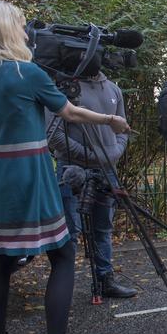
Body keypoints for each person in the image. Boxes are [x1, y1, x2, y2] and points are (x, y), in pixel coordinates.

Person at [0, 0, 130, 334]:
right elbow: (71, 113)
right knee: (63, 256)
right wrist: (111, 119)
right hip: (29, 177)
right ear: (13, 31)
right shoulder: (27, 74)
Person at [46, 71, 137, 298]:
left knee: (103, 227)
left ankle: (105, 281)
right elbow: (54, 136)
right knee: (69, 231)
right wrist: (92, 155)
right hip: (71, 170)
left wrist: (112, 153)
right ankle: (62, 287)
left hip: (108, 170)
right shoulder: (63, 87)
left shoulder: (113, 89)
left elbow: (123, 128)